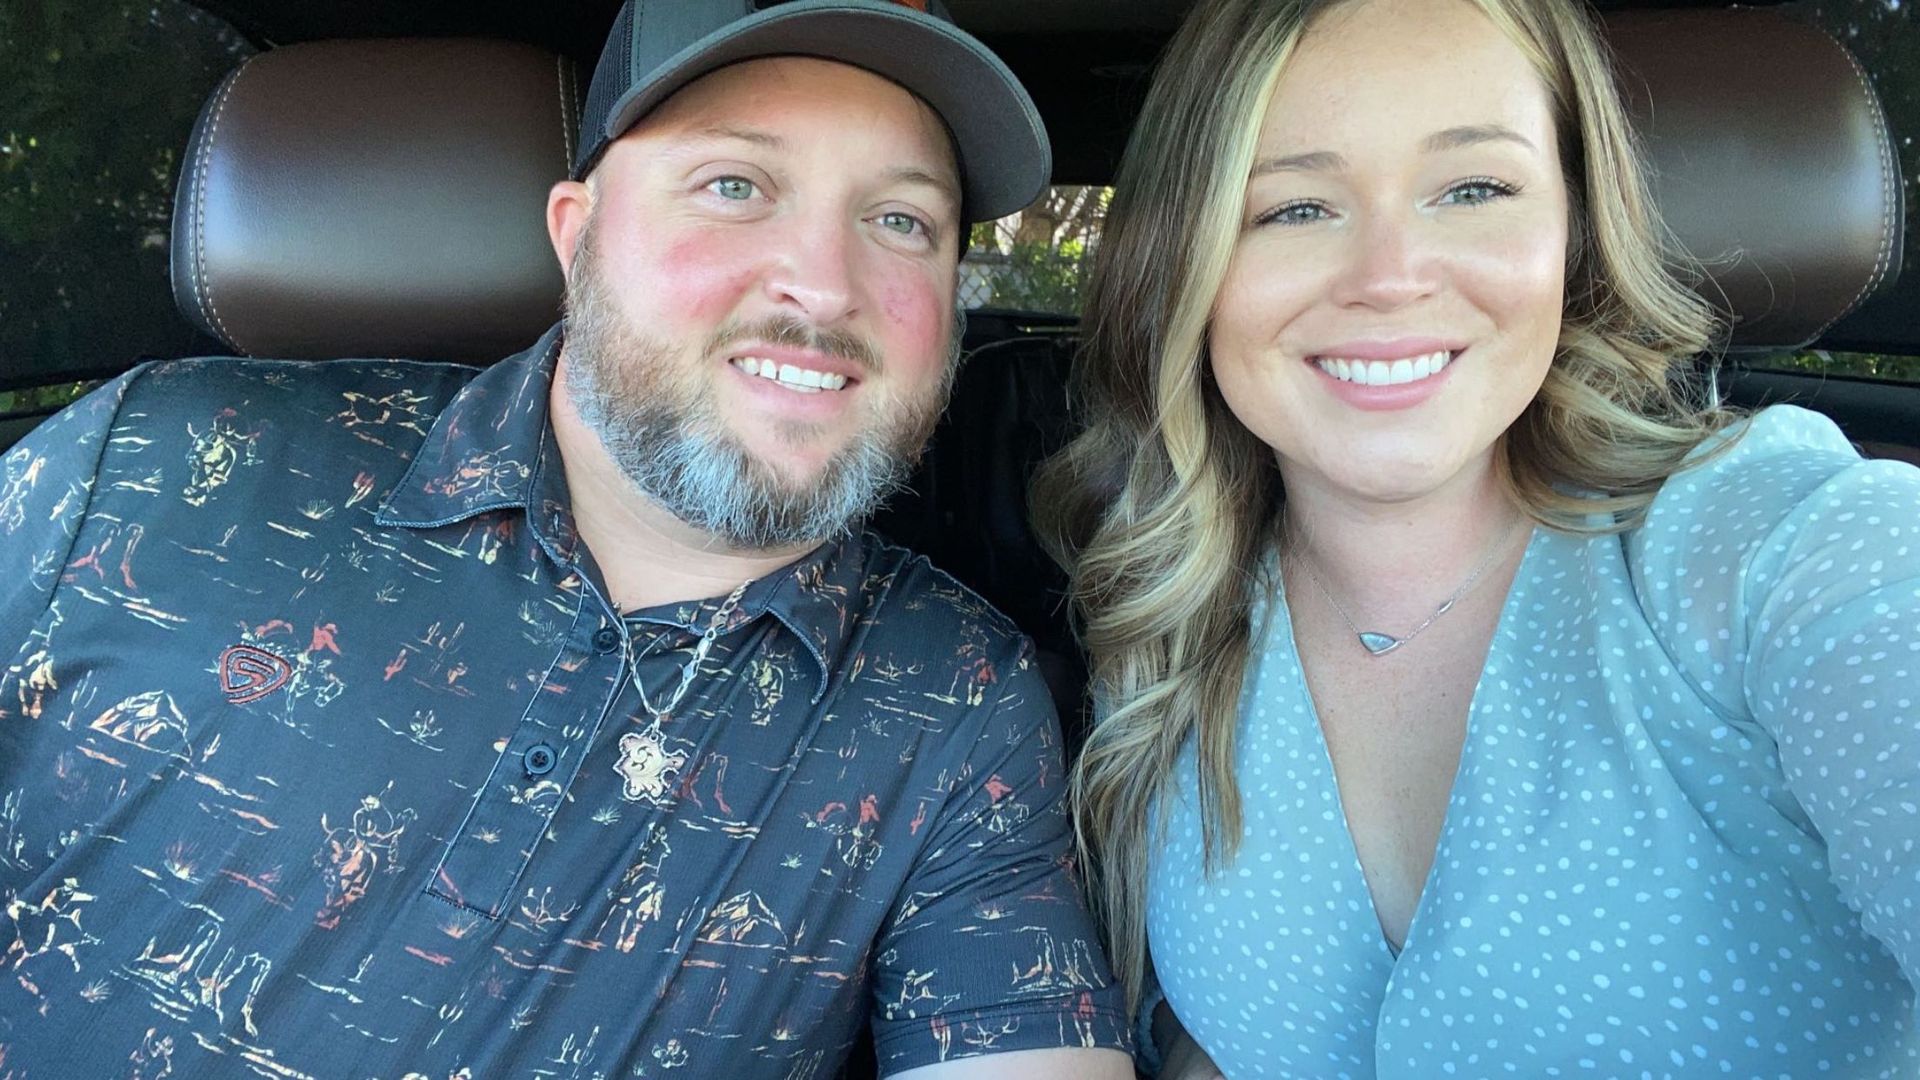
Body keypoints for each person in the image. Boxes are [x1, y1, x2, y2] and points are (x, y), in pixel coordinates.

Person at [0, 1, 1135, 1076]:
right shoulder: (153, 462)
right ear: (578, 237)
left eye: (900, 220)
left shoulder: (957, 701)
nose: (824, 286)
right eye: (734, 184)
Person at [1032, 0, 1920, 1074]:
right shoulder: (1173, 616)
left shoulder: (1787, 547)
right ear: (1191, 266)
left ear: (1574, 229)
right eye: (1295, 208)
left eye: (1473, 189)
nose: (1390, 274)